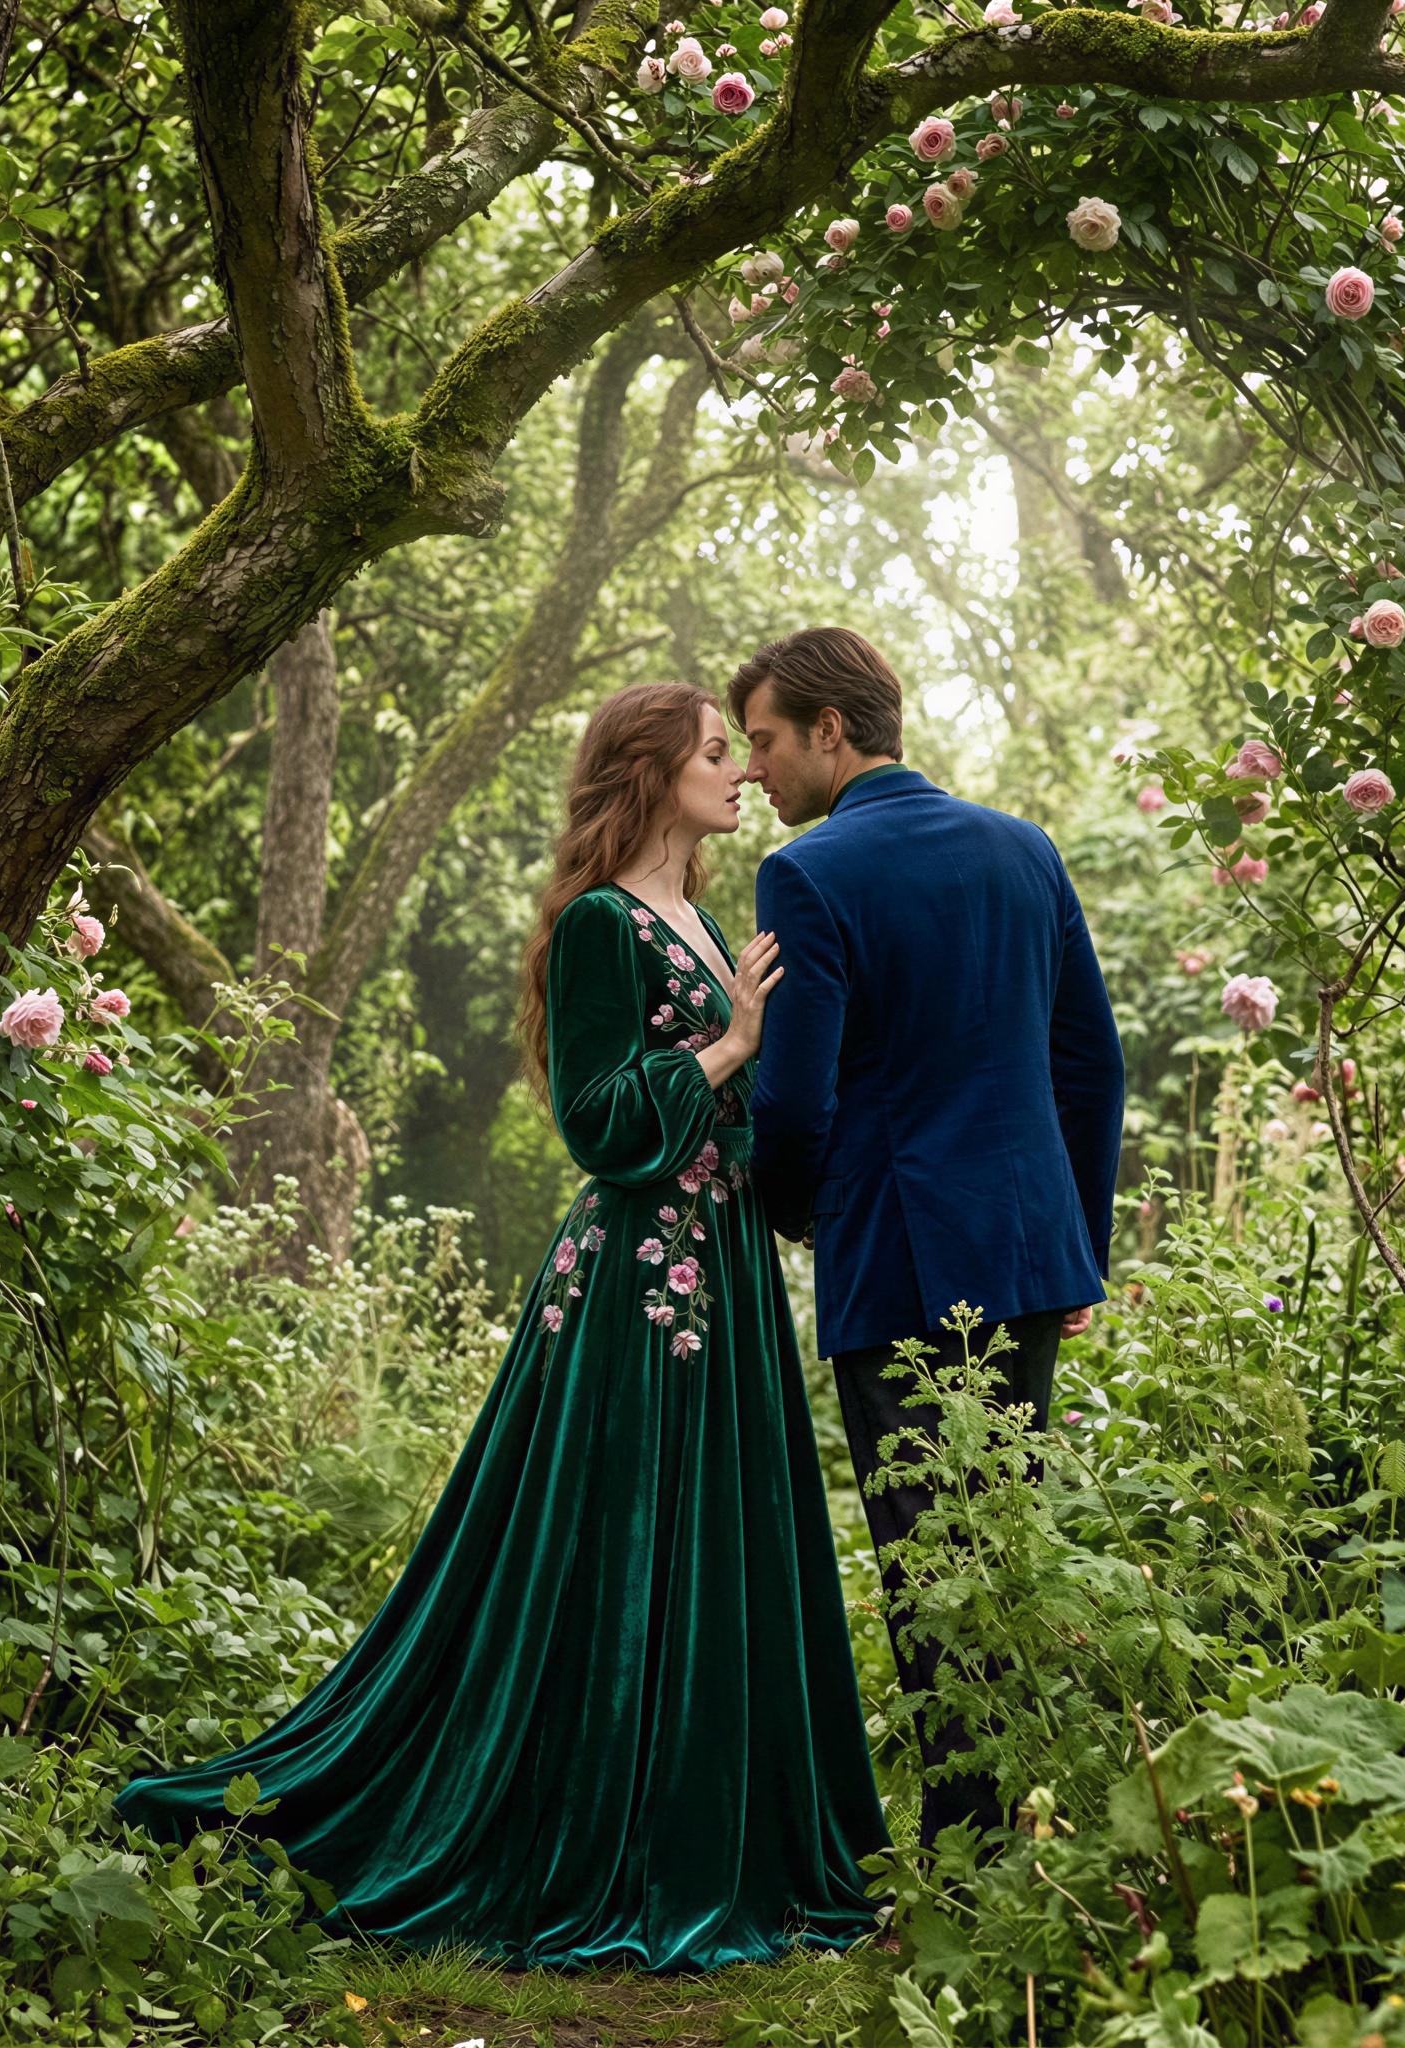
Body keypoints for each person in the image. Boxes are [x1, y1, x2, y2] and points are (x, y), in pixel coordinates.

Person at [113, 680, 890, 1970]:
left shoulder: (707, 920)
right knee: (619, 1559)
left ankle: (713, 1835)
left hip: (728, 1281)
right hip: (639, 1288)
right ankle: (586, 1836)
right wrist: (730, 1045)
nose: (740, 773)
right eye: (715, 751)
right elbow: (600, 1126)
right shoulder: (601, 926)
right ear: (650, 771)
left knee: (715, 1554)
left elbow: (751, 1114)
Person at [728, 626, 1126, 1855]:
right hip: (1022, 1256)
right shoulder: (1024, 851)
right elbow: (1091, 1069)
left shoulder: (809, 875)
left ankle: (963, 1866)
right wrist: (1076, 1253)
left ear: (831, 732)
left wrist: (794, 1211)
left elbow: (794, 1101)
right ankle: (1009, 1848)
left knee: (928, 1568)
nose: (754, 773)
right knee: (1003, 1547)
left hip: (896, 1259)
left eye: (765, 741)